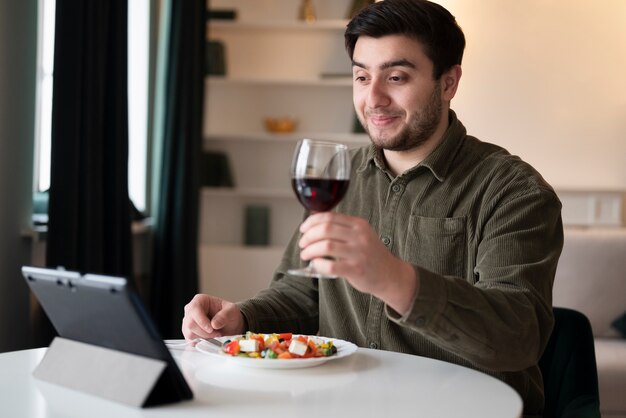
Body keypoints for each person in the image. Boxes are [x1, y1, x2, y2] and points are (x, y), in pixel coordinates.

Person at [183, 1, 563, 416]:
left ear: (448, 82)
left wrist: (395, 280)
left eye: (396, 77)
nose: (373, 98)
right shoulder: (339, 177)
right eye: (362, 76)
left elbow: (519, 336)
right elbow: (303, 293)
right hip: (345, 405)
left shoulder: (514, 192)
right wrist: (242, 319)